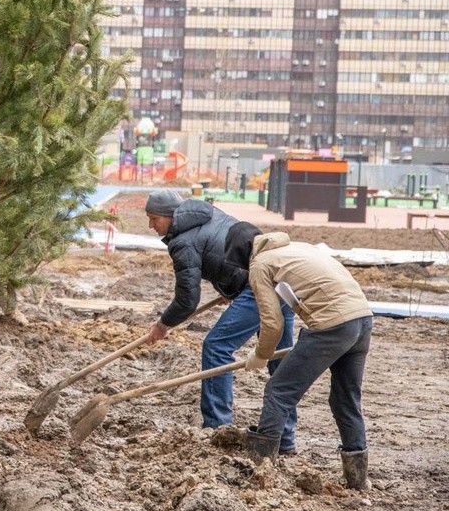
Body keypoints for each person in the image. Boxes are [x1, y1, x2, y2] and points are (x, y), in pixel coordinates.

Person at [142, 190, 297, 452]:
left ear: (171, 216)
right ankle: (283, 438)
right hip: (281, 280)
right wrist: (229, 288)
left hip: (259, 286)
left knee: (216, 347)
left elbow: (187, 300)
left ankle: (217, 429)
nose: (151, 225)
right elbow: (231, 250)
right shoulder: (210, 213)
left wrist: (163, 325)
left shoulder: (182, 242)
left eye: (155, 218)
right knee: (279, 361)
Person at [226, 224, 373, 489]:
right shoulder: (297, 248)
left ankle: (261, 471)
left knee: (279, 391)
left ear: (241, 254)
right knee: (345, 398)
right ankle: (357, 479)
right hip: (362, 319)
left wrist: (261, 355)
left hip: (331, 325)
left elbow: (272, 322)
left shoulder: (260, 264)